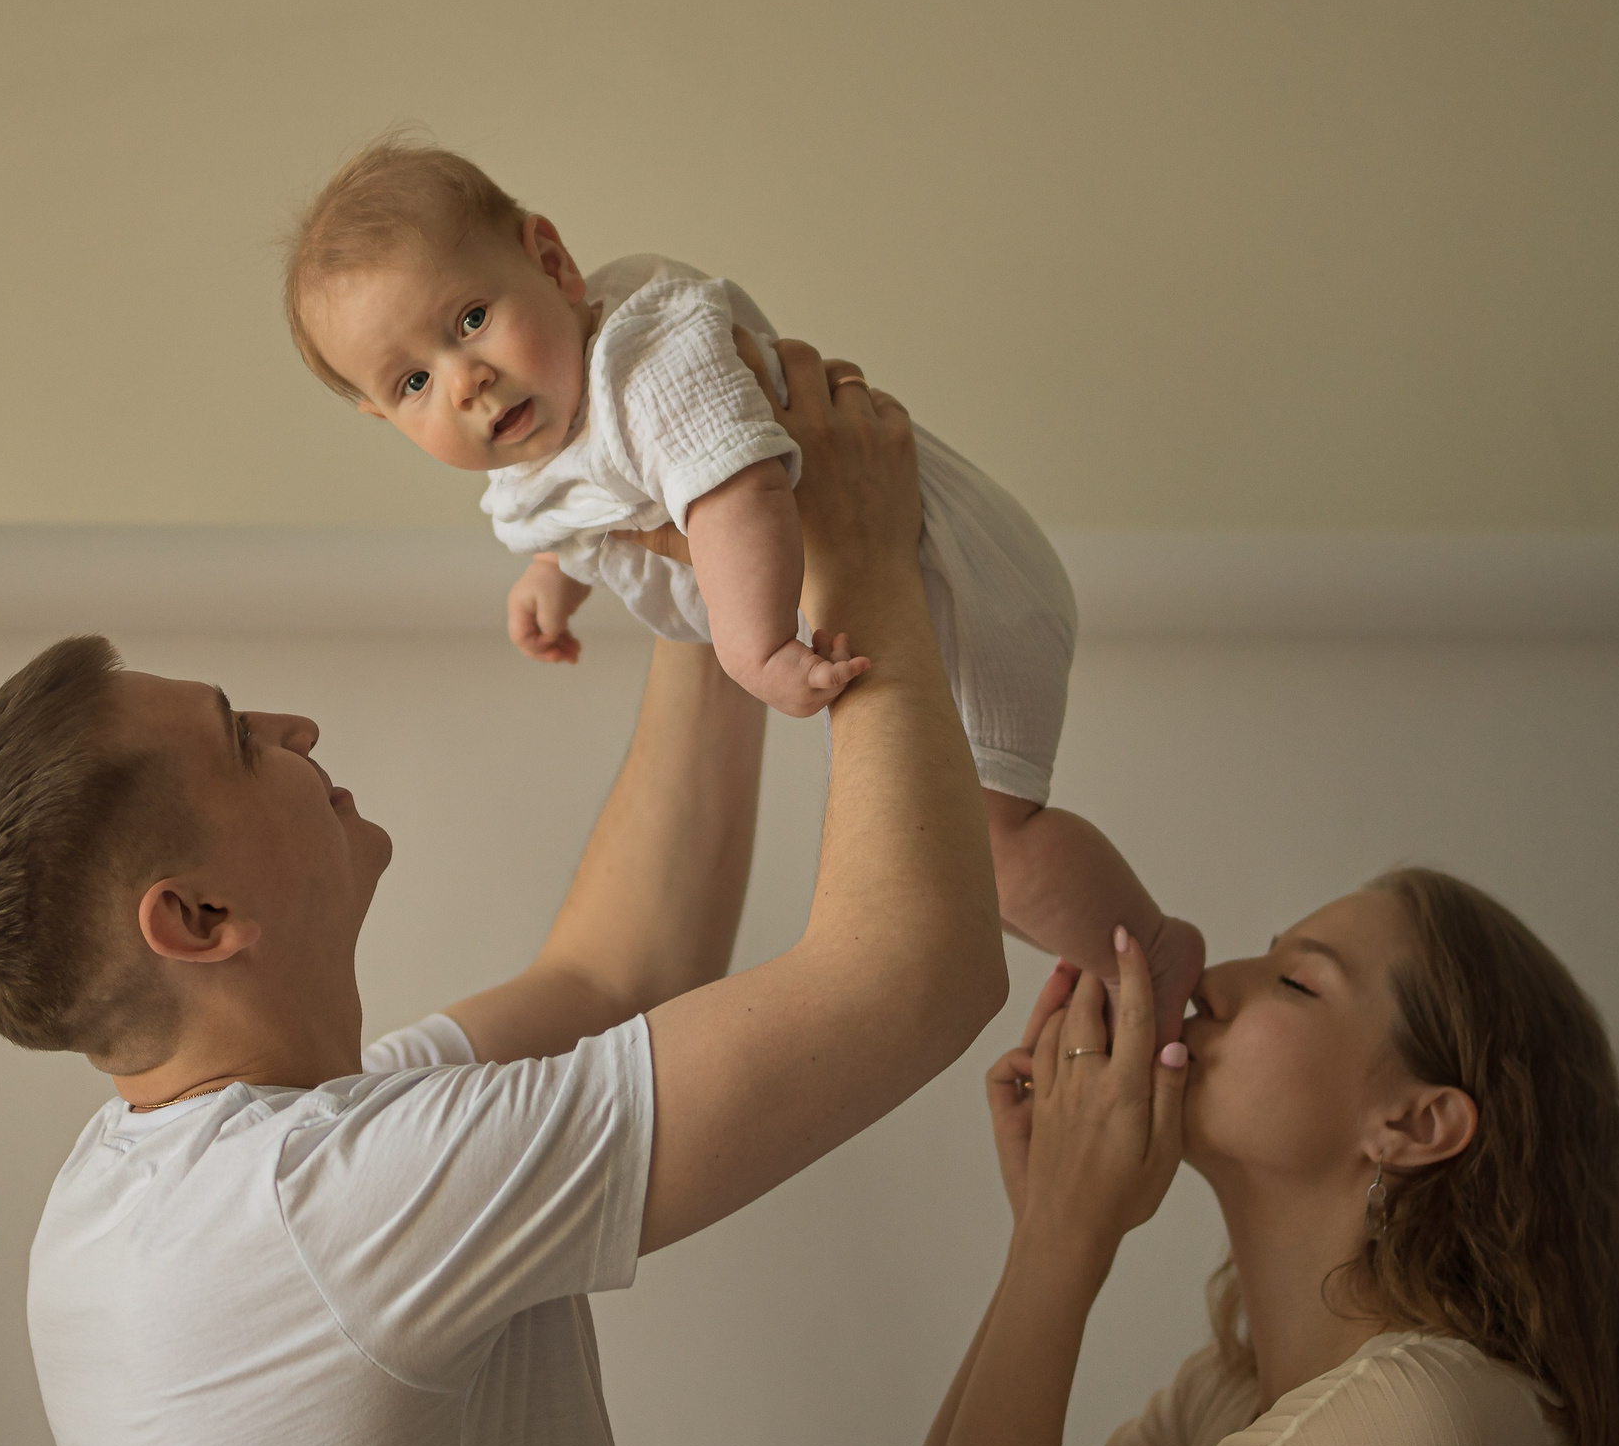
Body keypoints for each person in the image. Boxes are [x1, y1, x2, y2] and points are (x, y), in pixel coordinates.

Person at [0, 339, 1006, 1446]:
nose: (299, 729)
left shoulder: (176, 1180)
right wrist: (863, 561)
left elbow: (613, 971)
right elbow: (911, 977)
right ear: (196, 919)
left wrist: (702, 527)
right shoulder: (323, 1212)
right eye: (245, 738)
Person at [284, 137, 1204, 1037]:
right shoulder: (543, 432)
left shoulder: (647, 358)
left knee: (992, 848)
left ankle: (1152, 951)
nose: (464, 380)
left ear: (554, 263)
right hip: (902, 588)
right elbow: (589, 505)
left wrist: (752, 645)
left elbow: (736, 492)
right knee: (968, 861)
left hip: (951, 577)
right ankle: (1110, 959)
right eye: (412, 380)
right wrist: (551, 577)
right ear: (382, 416)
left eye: (471, 319)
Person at [864, 871, 1619, 1446]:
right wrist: (1044, 1230)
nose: (1214, 982)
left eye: (1297, 982)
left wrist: (1063, 1243)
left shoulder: (1428, 1419)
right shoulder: (1225, 1399)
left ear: (1416, 1125)